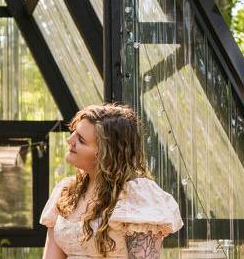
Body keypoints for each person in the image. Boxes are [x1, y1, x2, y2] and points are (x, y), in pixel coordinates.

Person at [41, 103, 182, 258]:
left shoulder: (137, 196)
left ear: (104, 153)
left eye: (81, 139)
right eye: (74, 133)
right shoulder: (66, 192)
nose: (69, 140)